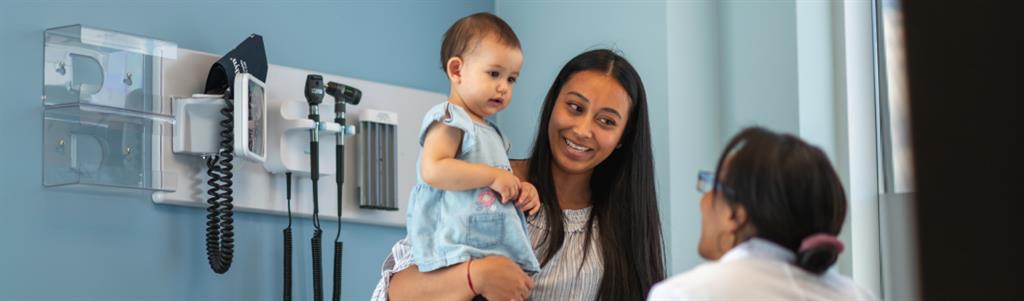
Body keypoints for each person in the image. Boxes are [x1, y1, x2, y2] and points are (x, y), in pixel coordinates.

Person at [372, 49, 666, 301]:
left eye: (606, 121)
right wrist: (475, 277)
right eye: (574, 107)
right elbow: (396, 291)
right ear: (552, 105)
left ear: (623, 137)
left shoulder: (624, 226)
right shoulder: (488, 184)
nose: (582, 130)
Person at [648, 127, 878, 300]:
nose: (703, 200)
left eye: (712, 186)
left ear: (735, 215)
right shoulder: (858, 296)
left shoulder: (684, 295)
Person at [405, 11, 542, 279]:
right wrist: (493, 176)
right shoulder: (450, 119)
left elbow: (496, 183)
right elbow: (433, 170)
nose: (503, 87)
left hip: (488, 253)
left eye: (511, 79)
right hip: (455, 251)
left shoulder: (491, 133)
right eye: (494, 74)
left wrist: (520, 190)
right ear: (457, 70)